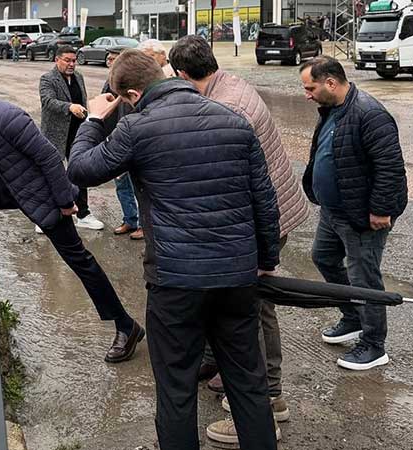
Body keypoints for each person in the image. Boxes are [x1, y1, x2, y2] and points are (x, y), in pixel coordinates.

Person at [68, 49, 281, 450]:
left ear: (133, 95)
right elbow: (264, 201)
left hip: (176, 282)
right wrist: (267, 259)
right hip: (236, 277)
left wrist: (94, 119)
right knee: (249, 384)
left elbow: (80, 170)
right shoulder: (234, 121)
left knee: (176, 388)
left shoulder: (137, 128)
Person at [0, 83, 144, 364]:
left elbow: (49, 158)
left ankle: (126, 326)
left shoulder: (7, 117)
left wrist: (65, 202)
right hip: (7, 188)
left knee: (79, 260)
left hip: (41, 197)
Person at [169, 34, 309, 445]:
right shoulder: (228, 85)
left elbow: (230, 183)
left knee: (255, 309)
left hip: (262, 221)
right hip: (268, 214)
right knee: (251, 305)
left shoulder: (226, 108)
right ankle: (244, 381)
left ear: (181, 74)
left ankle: (266, 402)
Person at [299, 56, 407, 371]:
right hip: (334, 211)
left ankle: (374, 345)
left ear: (331, 82)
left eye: (310, 88)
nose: (307, 95)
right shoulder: (332, 109)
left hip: (361, 216)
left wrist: (381, 210)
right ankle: (353, 317)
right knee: (323, 258)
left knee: (364, 279)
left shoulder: (369, 114)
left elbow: (390, 167)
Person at [39, 45, 104, 232]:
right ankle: (46, 216)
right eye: (67, 60)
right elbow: (48, 101)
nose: (71, 64)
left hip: (77, 134)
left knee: (80, 172)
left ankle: (83, 213)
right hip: (56, 135)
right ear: (57, 60)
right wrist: (69, 107)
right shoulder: (47, 79)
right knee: (52, 174)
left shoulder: (79, 77)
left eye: (74, 60)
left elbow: (83, 101)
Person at [102, 48, 144, 240]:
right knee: (121, 184)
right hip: (115, 139)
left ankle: (143, 225)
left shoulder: (134, 82)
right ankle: (130, 220)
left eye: (114, 59)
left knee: (138, 186)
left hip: (133, 140)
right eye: (109, 59)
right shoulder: (109, 82)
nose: (110, 62)